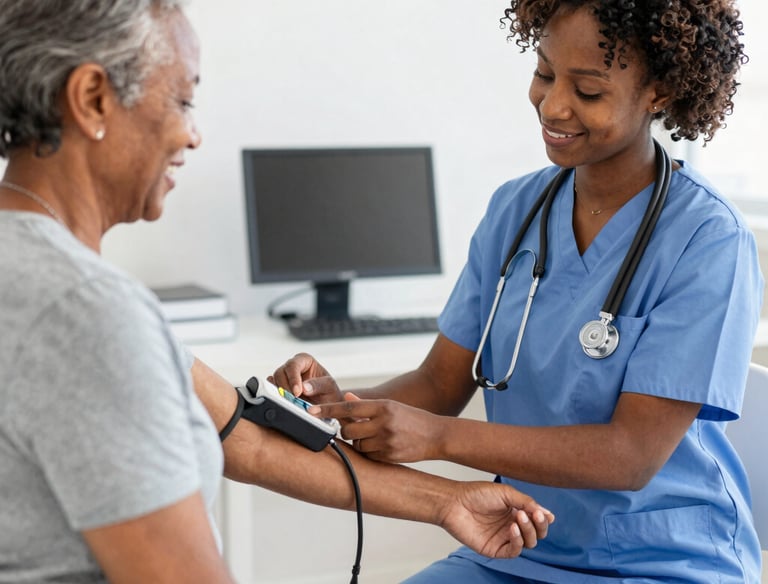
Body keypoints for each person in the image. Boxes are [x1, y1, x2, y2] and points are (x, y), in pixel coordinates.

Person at [0, 1, 556, 582]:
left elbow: (245, 438)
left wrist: (447, 501)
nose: (193, 134)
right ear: (92, 98)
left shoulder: (46, 280)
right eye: (183, 99)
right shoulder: (87, 315)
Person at [273, 1, 765, 582]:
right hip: (515, 548)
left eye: (588, 91)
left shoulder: (707, 240)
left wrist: (438, 439)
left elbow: (630, 456)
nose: (554, 105)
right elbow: (437, 385)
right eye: (545, 73)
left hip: (662, 560)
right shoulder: (515, 210)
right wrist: (334, 409)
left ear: (658, 92)